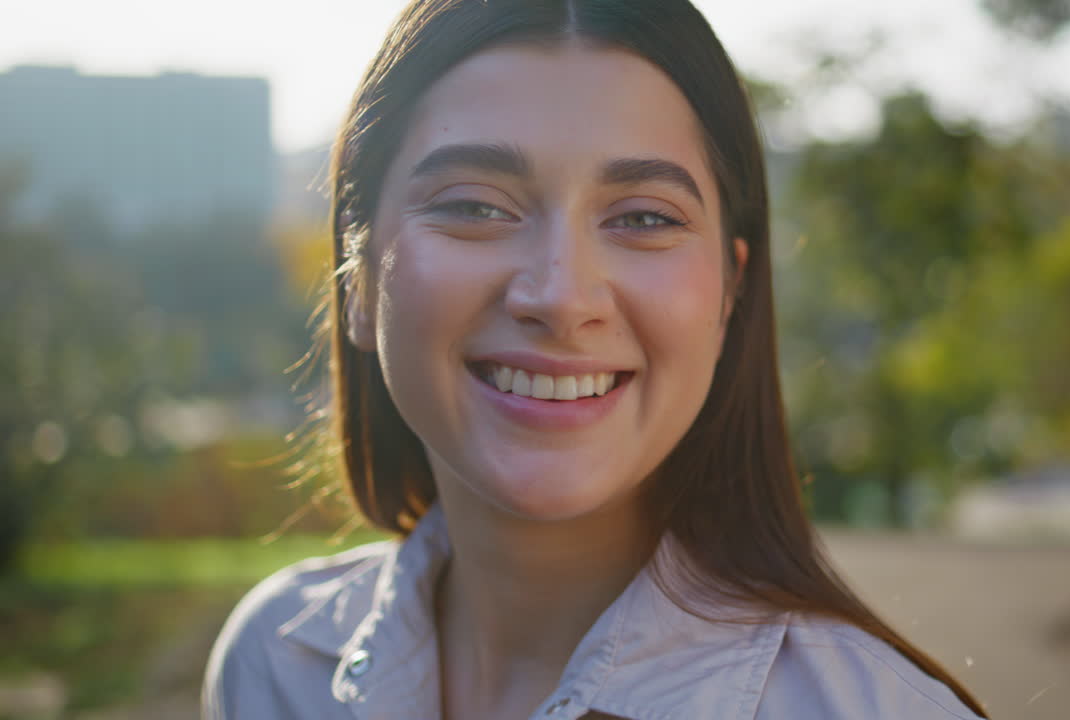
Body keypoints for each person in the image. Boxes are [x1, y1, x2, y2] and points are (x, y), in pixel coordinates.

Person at [202, 0, 988, 718]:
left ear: (729, 294)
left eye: (644, 217)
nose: (560, 295)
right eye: (475, 206)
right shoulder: (277, 668)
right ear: (359, 276)